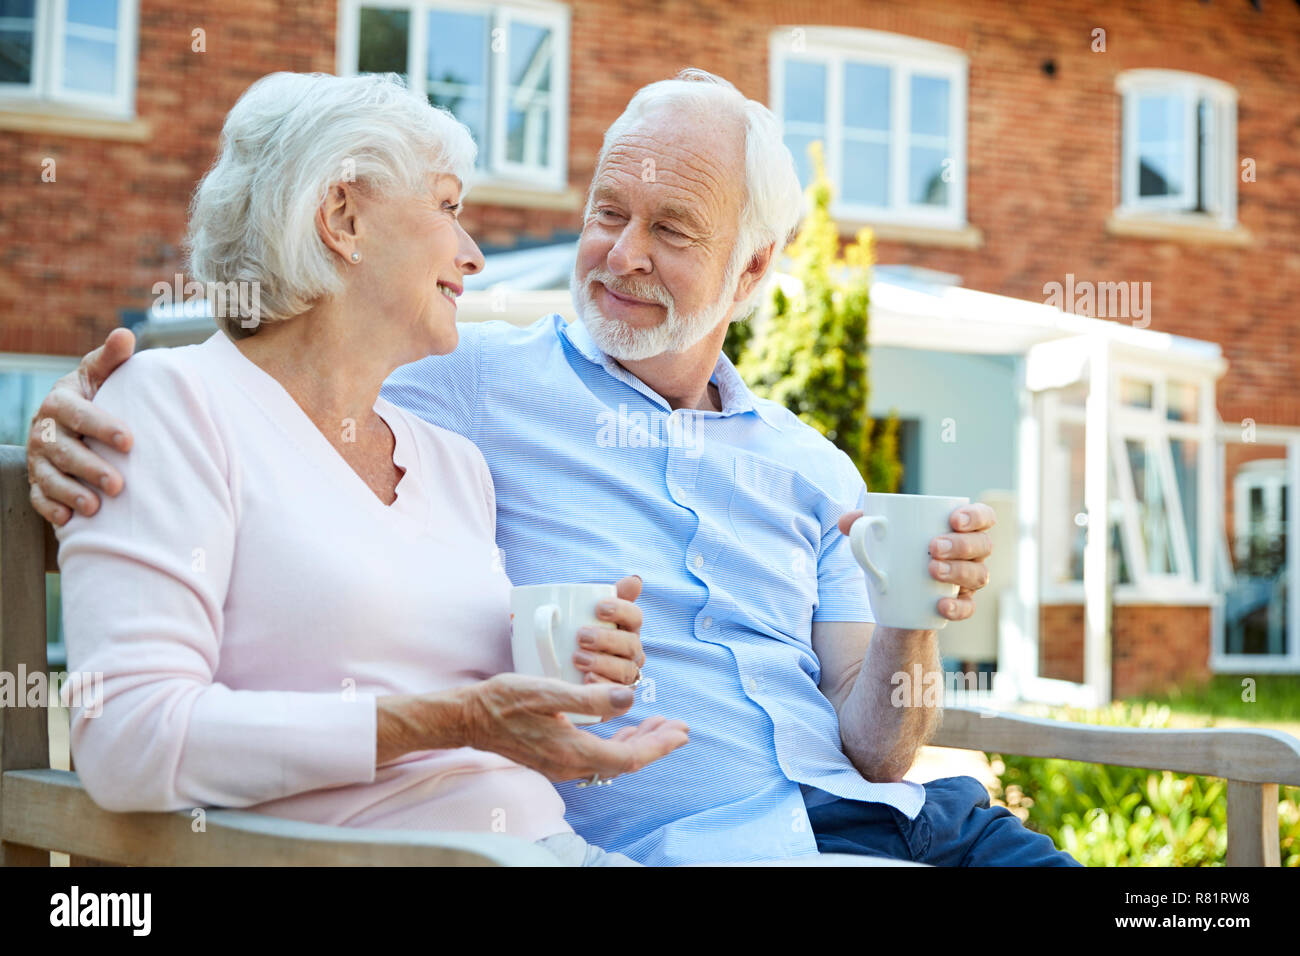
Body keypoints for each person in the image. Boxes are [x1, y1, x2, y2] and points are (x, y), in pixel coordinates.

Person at [28, 69, 1080, 866]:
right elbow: (271, 376)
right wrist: (76, 409)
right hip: (714, 845)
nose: (619, 255)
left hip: (911, 814)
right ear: (346, 217)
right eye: (607, 213)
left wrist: (916, 608)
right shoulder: (464, 379)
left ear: (753, 269)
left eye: (669, 230)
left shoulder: (803, 464)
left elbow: (878, 745)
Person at [39, 70, 688, 868]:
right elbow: (130, 739)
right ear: (343, 216)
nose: (474, 255)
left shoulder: (451, 461)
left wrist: (563, 662)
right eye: (448, 208)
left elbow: (449, 692)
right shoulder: (173, 404)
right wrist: (457, 720)